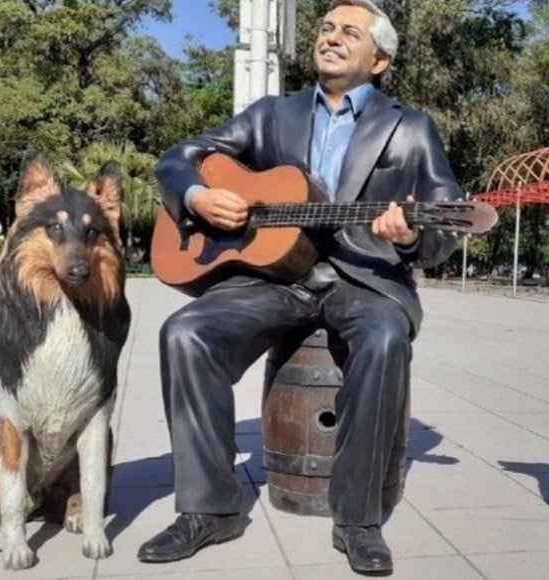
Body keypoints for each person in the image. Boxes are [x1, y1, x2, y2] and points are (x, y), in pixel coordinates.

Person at [137, 0, 462, 576]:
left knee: (386, 338)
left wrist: (411, 234)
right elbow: (177, 159)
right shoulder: (271, 115)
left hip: (364, 279)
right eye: (327, 28)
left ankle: (358, 519)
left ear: (380, 59)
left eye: (350, 33)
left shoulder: (411, 128)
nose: (332, 38)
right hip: (275, 277)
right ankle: (210, 509)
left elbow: (443, 230)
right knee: (185, 332)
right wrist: (198, 196)